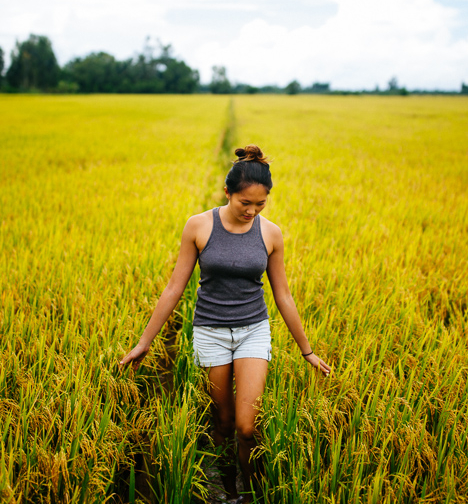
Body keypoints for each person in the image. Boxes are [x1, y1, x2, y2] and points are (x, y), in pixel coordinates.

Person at [118, 144, 332, 502]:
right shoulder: (199, 226)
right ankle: (227, 486)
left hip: (252, 330)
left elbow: (283, 296)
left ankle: (251, 492)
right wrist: (145, 342)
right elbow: (174, 287)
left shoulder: (271, 234)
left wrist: (306, 350)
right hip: (210, 332)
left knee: (247, 427)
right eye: (244, 203)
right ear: (227, 191)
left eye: (260, 204)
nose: (252, 211)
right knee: (223, 421)